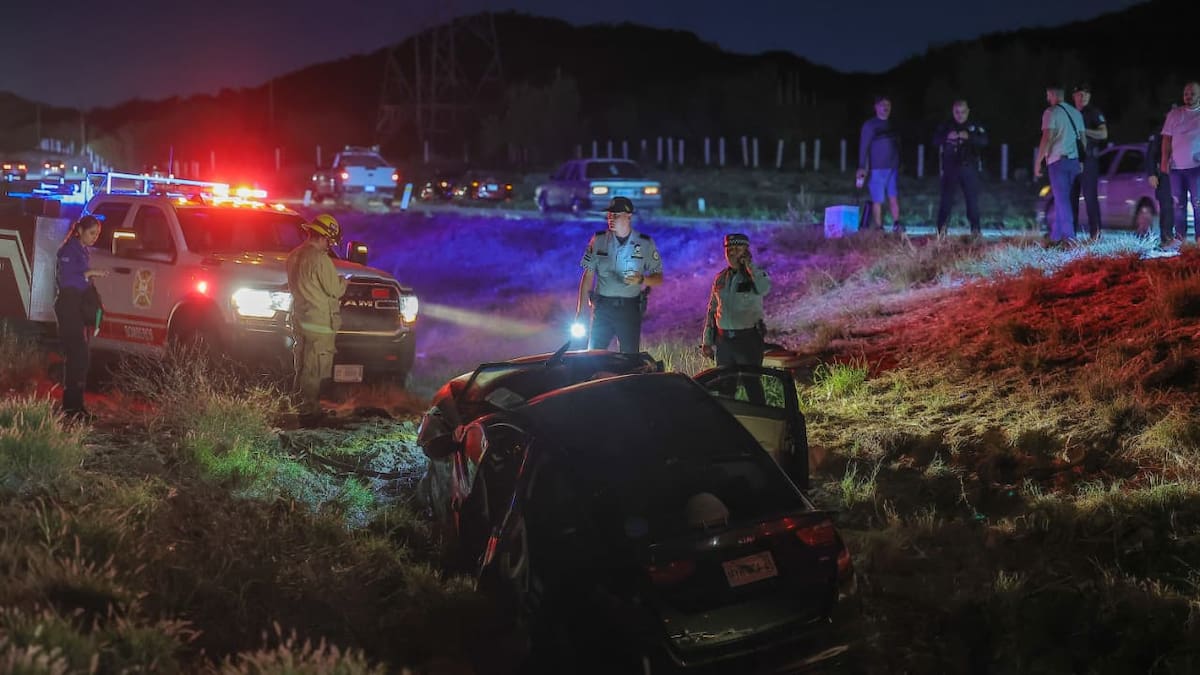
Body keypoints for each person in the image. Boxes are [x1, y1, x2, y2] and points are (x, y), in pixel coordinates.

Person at [575, 196, 663, 353]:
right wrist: (580, 312)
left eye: (616, 215)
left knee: (629, 359)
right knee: (592, 357)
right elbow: (587, 276)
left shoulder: (644, 243)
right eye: (609, 215)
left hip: (629, 310)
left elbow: (658, 278)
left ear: (628, 216)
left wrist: (642, 279)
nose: (611, 219)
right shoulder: (598, 240)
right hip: (602, 309)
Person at [286, 213, 348, 423]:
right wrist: (343, 282)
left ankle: (297, 404)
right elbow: (334, 290)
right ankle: (308, 411)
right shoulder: (320, 259)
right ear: (324, 237)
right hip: (319, 321)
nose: (329, 246)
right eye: (329, 241)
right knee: (315, 366)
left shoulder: (293, 255)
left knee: (301, 363)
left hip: (300, 317)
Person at [701, 234, 771, 401]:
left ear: (746, 251)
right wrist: (707, 341)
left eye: (737, 249)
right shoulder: (720, 278)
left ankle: (760, 422)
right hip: (724, 341)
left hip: (748, 340)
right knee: (725, 386)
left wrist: (749, 265)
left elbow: (764, 288)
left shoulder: (755, 275)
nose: (732, 253)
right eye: (729, 249)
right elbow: (712, 310)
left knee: (752, 385)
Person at [54, 215, 108, 420]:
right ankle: (71, 407)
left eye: (97, 234)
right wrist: (90, 273)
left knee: (82, 357)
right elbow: (68, 279)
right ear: (80, 231)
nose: (95, 237)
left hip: (77, 307)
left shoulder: (82, 251)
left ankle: (76, 406)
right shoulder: (69, 250)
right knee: (77, 356)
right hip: (68, 306)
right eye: (92, 233)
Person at [1034, 85, 1085, 246]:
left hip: (1058, 161)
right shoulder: (1076, 113)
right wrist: (1081, 160)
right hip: (1074, 161)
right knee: (1061, 200)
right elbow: (1083, 140)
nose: (1047, 99)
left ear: (1051, 94)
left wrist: (1038, 160)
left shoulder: (1051, 112)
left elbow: (1047, 138)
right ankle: (1055, 236)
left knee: (1062, 201)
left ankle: (1069, 239)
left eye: (1048, 96)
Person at [934, 100, 989, 237]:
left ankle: (975, 231)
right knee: (946, 201)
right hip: (950, 168)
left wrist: (969, 137)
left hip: (968, 168)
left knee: (972, 201)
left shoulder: (974, 125)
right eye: (957, 112)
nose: (960, 115)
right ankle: (941, 232)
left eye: (963, 112)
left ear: (968, 111)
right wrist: (947, 137)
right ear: (953, 112)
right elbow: (935, 140)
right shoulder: (947, 125)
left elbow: (984, 141)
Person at [856, 95, 902, 233]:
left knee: (893, 197)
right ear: (876, 107)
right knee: (878, 200)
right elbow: (864, 146)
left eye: (888, 104)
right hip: (876, 169)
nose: (885, 107)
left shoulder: (893, 124)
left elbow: (898, 145)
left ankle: (897, 224)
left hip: (892, 168)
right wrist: (861, 166)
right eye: (882, 104)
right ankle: (878, 227)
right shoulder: (870, 125)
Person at [1160, 81, 1200, 242]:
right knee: (1178, 205)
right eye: (1186, 94)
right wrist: (1164, 160)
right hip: (1176, 168)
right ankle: (1180, 239)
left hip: (1196, 168)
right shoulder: (1174, 114)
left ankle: (1198, 240)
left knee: (1198, 205)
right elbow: (1166, 139)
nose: (1188, 97)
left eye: (1192, 94)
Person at [1069, 84, 1109, 239]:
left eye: (1086, 94)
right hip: (1072, 160)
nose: (1083, 97)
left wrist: (1084, 131)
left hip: (1088, 161)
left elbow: (1103, 133)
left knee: (1090, 198)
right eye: (1080, 94)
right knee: (1071, 199)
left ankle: (1095, 234)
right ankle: (1070, 236)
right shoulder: (1070, 114)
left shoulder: (1093, 112)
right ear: (1074, 97)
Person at [1146, 126, 1175, 246]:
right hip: (1165, 174)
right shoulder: (1162, 131)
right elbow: (1151, 154)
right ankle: (1167, 238)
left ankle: (1180, 238)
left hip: (1184, 171)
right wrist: (1152, 173)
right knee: (1167, 206)